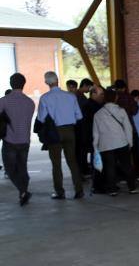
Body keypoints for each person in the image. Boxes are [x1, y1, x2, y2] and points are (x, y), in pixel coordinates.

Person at [37, 71, 84, 199]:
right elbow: (79, 116)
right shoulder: (71, 96)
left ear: (46, 82)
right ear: (57, 80)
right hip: (70, 130)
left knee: (56, 164)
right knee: (72, 161)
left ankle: (59, 192)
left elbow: (41, 118)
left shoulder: (45, 98)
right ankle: (79, 190)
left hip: (54, 132)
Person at [93, 88, 138, 197]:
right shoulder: (121, 110)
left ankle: (112, 190)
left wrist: (95, 147)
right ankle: (132, 188)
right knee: (127, 166)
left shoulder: (98, 114)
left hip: (106, 145)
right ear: (115, 98)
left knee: (110, 168)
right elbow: (128, 128)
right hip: (121, 143)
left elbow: (96, 133)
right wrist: (130, 142)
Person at [0, 73, 35, 206]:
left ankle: (23, 190)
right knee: (22, 168)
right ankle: (23, 193)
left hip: (10, 140)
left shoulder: (4, 101)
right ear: (23, 84)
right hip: (25, 140)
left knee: (10, 169)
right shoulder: (30, 102)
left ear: (11, 84)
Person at [75, 78, 93, 176]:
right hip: (81, 127)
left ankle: (83, 169)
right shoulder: (79, 97)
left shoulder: (79, 96)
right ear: (85, 85)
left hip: (80, 127)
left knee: (82, 150)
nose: (89, 90)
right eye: (89, 87)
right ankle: (83, 170)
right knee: (82, 150)